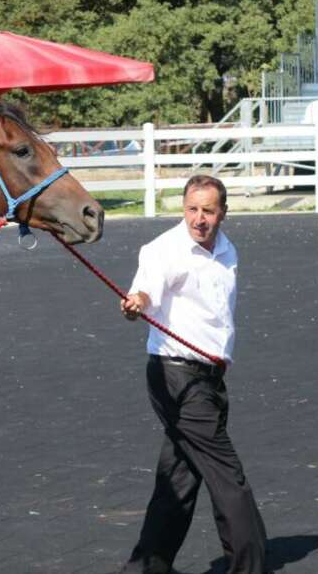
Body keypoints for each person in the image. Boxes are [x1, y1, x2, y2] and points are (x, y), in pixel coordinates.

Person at [117, 175, 266, 574]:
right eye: (192, 209)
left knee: (180, 476)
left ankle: (146, 567)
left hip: (211, 376)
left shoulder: (227, 249)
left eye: (209, 211)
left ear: (223, 213)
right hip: (176, 376)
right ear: (183, 208)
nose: (199, 219)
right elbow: (146, 290)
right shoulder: (163, 250)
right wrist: (138, 303)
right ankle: (249, 565)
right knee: (225, 472)